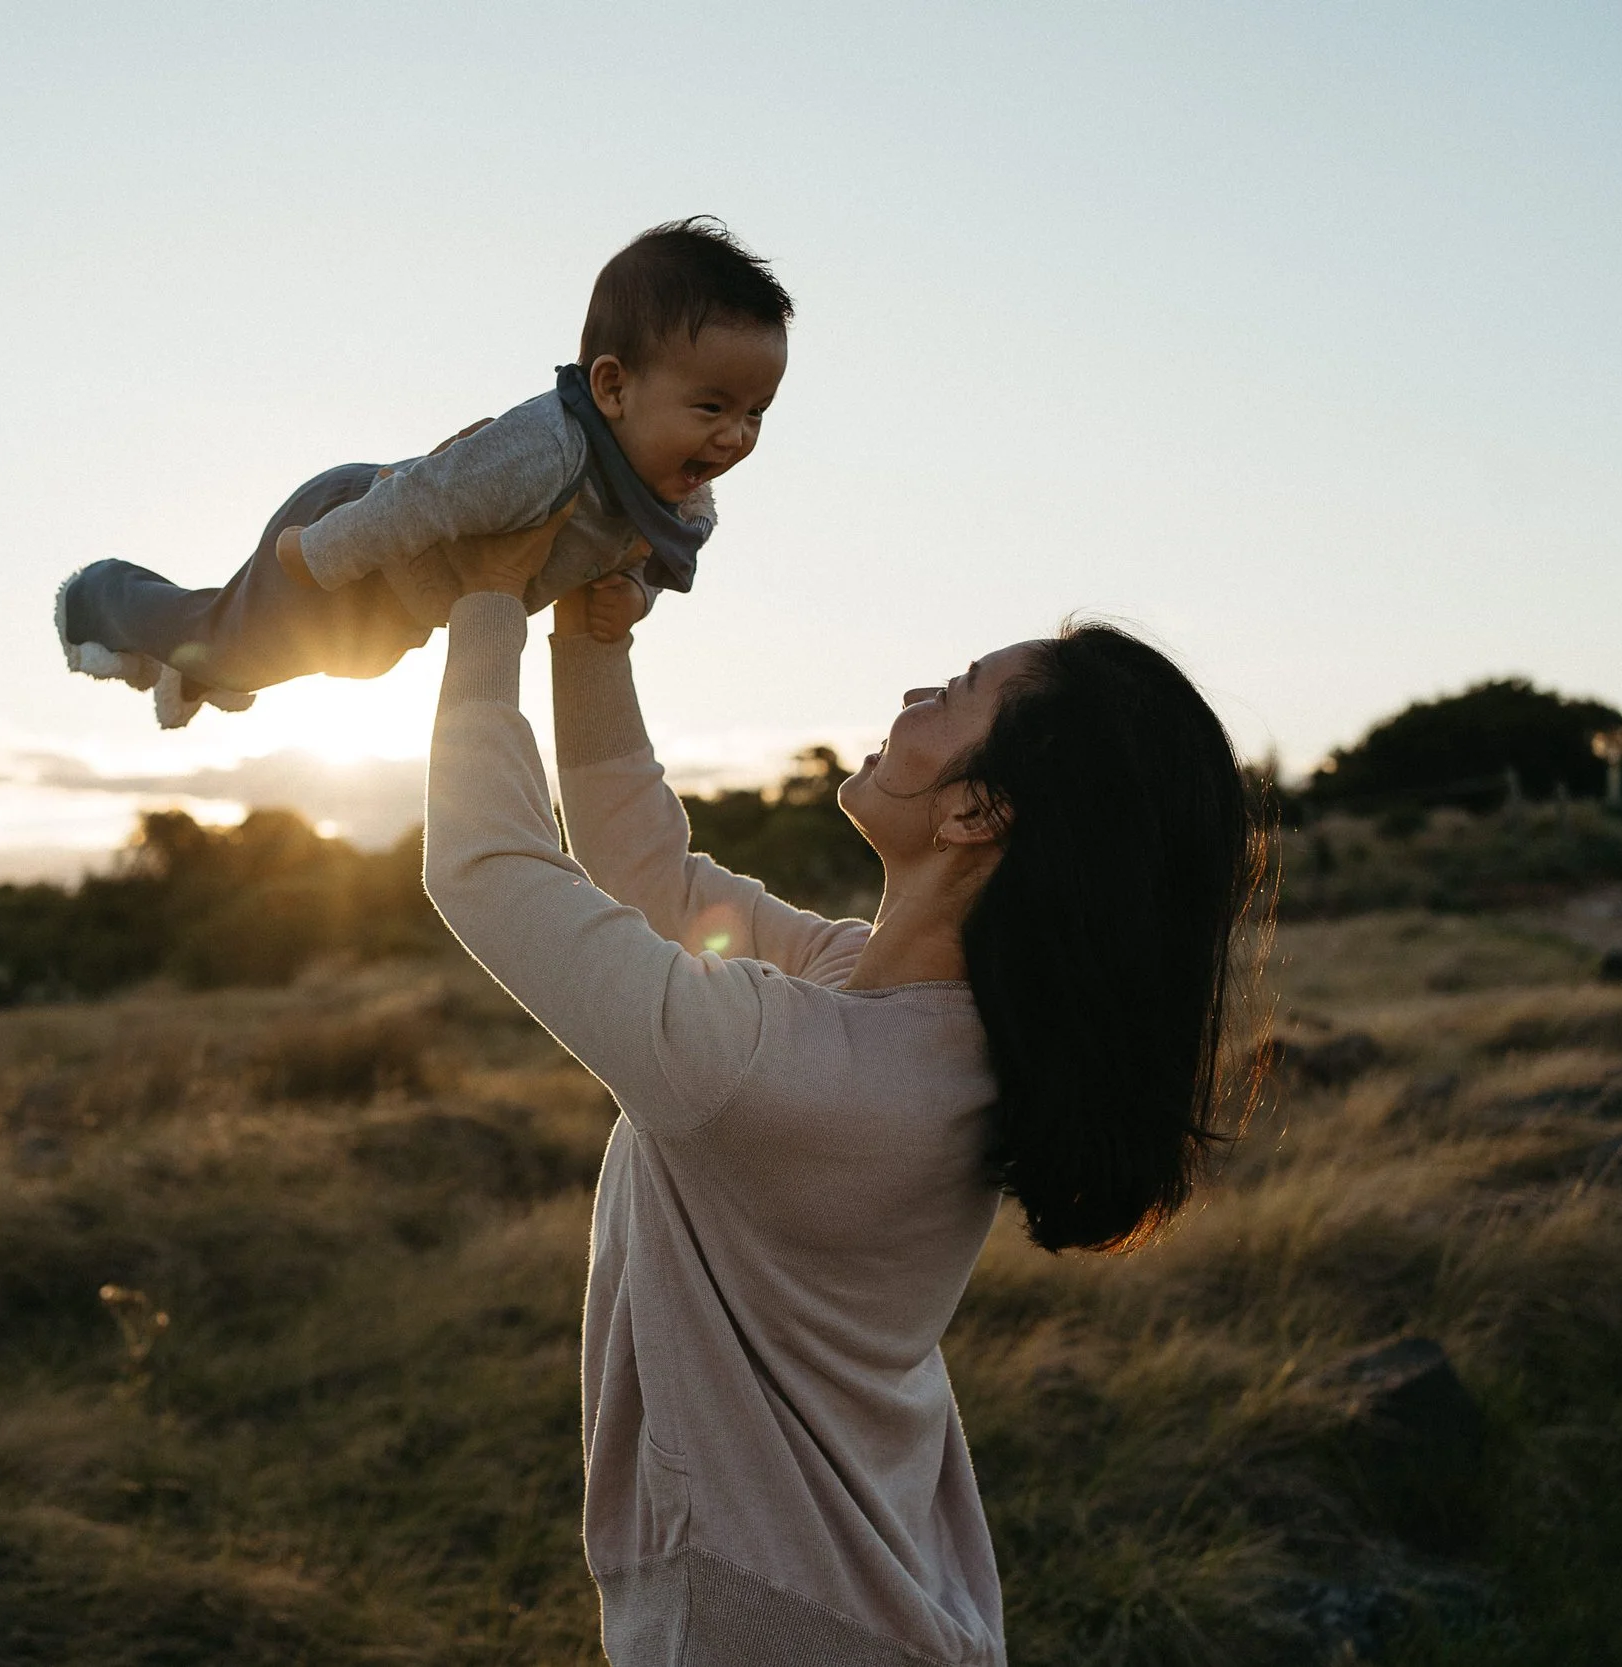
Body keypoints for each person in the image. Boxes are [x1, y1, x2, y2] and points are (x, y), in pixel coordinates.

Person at [417, 508, 1263, 1665]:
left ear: (977, 811)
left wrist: (480, 600)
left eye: (955, 693)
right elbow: (651, 875)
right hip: (867, 1601)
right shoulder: (903, 1017)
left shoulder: (795, 1067)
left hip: (769, 1622)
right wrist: (593, 638)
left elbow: (484, 864)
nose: (918, 693)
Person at [52, 217, 791, 727]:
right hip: (354, 527)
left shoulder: (684, 506)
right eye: (711, 407)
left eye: (756, 412)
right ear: (612, 387)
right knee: (231, 641)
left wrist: (632, 595)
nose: (735, 437)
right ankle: (95, 596)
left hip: (402, 601)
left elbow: (654, 564)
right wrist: (320, 551)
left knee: (343, 664)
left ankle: (192, 668)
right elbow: (427, 498)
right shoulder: (546, 451)